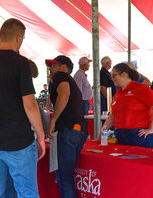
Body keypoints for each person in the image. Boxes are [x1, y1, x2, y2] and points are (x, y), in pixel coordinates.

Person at [0, 18, 45, 198]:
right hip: (18, 140)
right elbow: (29, 104)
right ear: (19, 37)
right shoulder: (21, 63)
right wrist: (41, 135)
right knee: (26, 192)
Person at [46, 55, 88, 198]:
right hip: (78, 129)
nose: (51, 68)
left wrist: (53, 120)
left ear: (64, 68)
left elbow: (64, 94)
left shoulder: (61, 76)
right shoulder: (67, 80)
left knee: (64, 177)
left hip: (67, 129)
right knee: (67, 175)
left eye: (54, 65)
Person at [95, 63, 153, 148]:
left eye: (113, 76)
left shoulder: (141, 88)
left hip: (140, 136)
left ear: (123, 74)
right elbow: (112, 116)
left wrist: (152, 128)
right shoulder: (118, 93)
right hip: (122, 135)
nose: (112, 79)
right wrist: (101, 135)